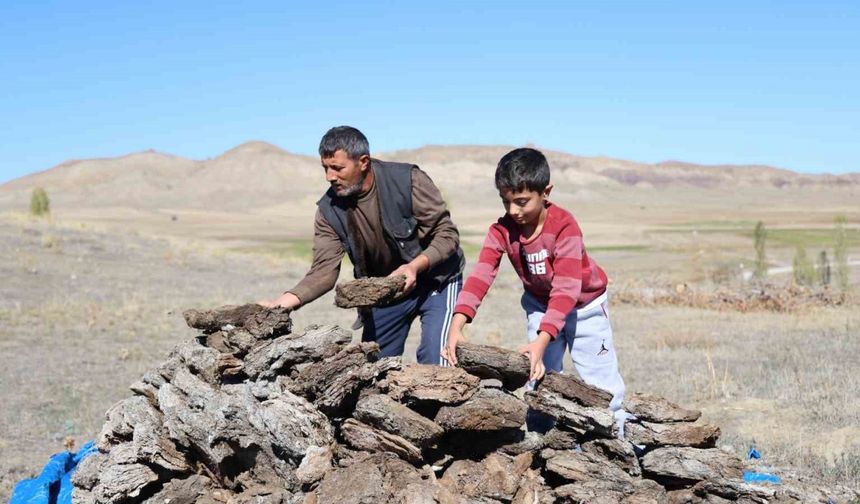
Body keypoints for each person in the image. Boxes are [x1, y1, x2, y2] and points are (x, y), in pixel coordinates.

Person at [441, 147, 627, 431]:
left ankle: (619, 437)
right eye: (506, 202)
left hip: (584, 307)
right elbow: (481, 276)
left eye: (521, 201)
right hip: (541, 306)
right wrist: (456, 326)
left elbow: (566, 290)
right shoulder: (501, 230)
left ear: (546, 192)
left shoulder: (565, 226)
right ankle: (541, 441)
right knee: (538, 376)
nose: (512, 211)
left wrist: (541, 343)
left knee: (600, 381)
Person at [260, 126, 465, 365]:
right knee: (372, 370)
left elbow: (447, 235)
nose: (329, 176)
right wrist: (281, 304)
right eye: (325, 168)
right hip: (387, 290)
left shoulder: (407, 180)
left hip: (437, 280)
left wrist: (414, 267)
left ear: (363, 162)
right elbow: (323, 271)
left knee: (436, 361)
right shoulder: (329, 210)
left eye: (337, 168)